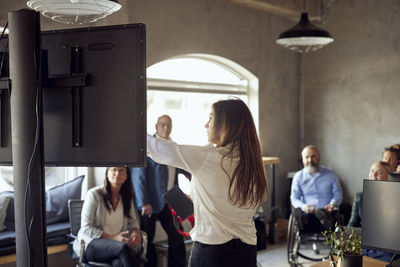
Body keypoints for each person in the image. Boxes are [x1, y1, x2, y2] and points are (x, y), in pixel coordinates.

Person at [145, 98, 267, 267]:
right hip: (246, 251)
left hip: (212, 253)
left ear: (224, 125)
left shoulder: (207, 157)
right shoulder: (252, 162)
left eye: (211, 118)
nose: (206, 125)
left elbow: (155, 148)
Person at [131, 115, 190, 267]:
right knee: (147, 240)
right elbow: (139, 177)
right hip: (150, 202)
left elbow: (178, 170)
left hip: (171, 199)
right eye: (163, 125)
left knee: (178, 235)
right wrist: (144, 202)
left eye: (169, 125)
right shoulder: (148, 145)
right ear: (156, 126)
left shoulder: (173, 146)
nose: (166, 128)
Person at [73, 167, 142, 267]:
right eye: (113, 170)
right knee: (123, 248)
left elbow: (133, 221)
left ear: (127, 176)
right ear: (107, 173)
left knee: (119, 264)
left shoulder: (126, 196)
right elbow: (86, 228)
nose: (117, 174)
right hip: (92, 244)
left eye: (121, 170)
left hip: (116, 247)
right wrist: (113, 238)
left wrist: (135, 231)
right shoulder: (94, 194)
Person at [346, 161, 393, 262]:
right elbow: (352, 225)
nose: (373, 175)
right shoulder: (360, 197)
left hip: (387, 246)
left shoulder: (395, 198)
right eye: (371, 171)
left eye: (379, 173)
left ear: (389, 176)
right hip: (365, 241)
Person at [290, 145, 343, 231]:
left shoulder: (331, 174)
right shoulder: (298, 177)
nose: (310, 160)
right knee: (299, 212)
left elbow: (338, 194)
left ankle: (325, 219)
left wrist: (332, 204)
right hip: (307, 213)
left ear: (319, 157)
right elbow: (294, 198)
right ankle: (302, 222)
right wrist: (303, 207)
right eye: (306, 157)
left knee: (324, 213)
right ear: (302, 160)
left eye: (313, 156)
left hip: (327, 211)